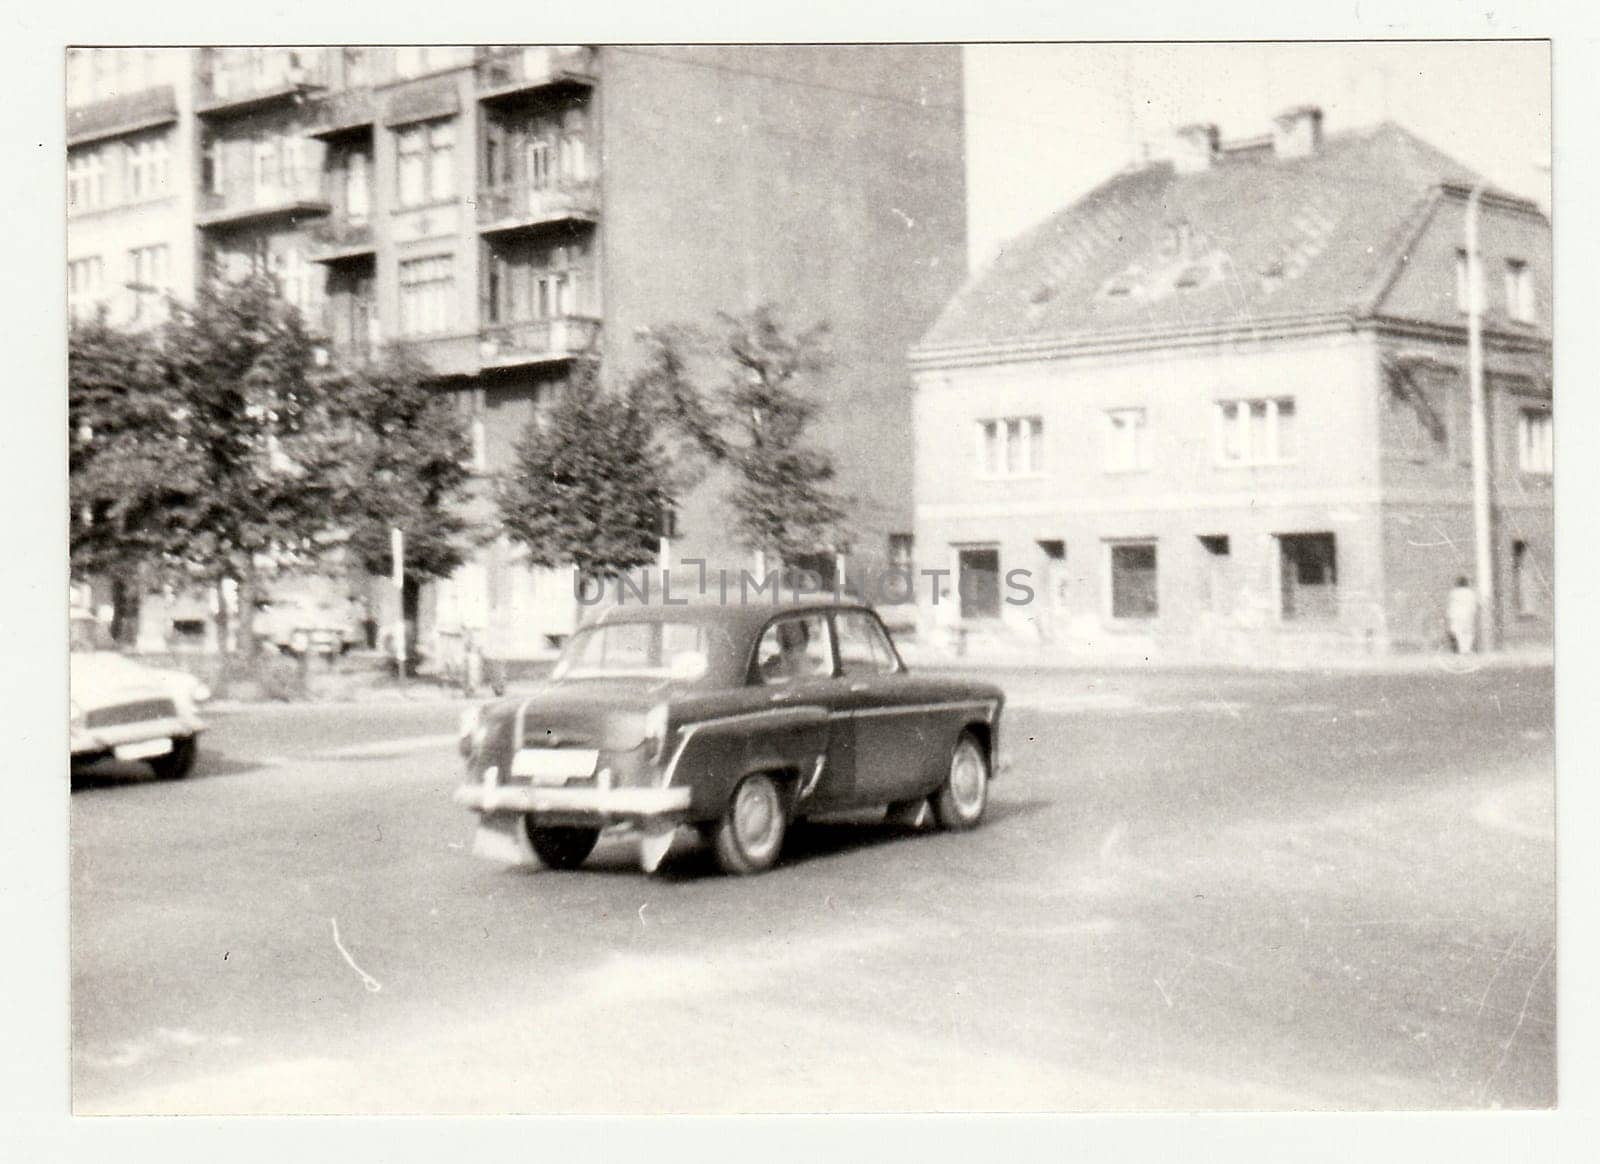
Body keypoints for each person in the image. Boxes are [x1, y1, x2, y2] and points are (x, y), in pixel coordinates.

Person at [1447, 576, 1477, 654]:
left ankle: (1460, 649)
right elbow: (1473, 605)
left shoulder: (1454, 593)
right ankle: (1466, 649)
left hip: (1456, 614)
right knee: (1467, 632)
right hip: (1467, 614)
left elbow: (1451, 604)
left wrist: (1450, 615)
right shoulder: (1470, 593)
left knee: (1457, 631)